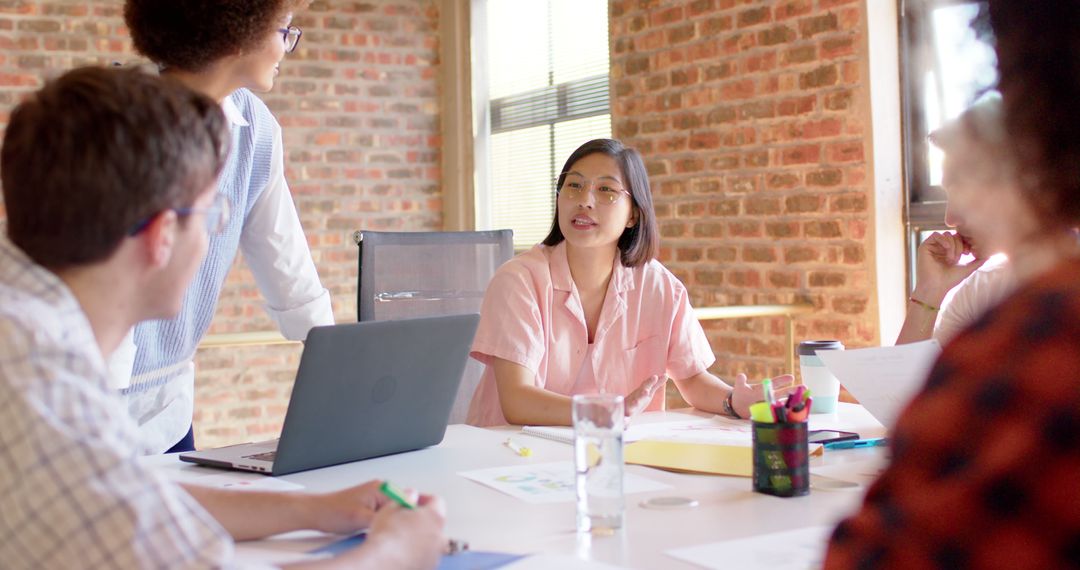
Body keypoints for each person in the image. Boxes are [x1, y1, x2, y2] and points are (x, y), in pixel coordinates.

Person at [0, 66, 444, 570]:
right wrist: (395, 552)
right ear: (161, 236)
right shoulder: (47, 386)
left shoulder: (31, 329)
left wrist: (314, 508)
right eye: (212, 219)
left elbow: (130, 500)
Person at [825, 1, 1080, 567]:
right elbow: (907, 403)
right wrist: (928, 294)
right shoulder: (982, 298)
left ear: (1029, 168)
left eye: (963, 181)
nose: (953, 212)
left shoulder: (1044, 323)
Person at [113, 0, 334, 453]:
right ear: (239, 33)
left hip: (167, 406)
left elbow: (285, 259)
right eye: (284, 30)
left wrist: (337, 358)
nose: (286, 48)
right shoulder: (118, 120)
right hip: (89, 401)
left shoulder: (256, 129)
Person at [466, 139, 792, 427]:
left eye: (606, 190)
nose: (585, 200)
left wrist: (733, 401)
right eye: (573, 186)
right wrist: (606, 412)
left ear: (633, 214)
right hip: (510, 457)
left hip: (616, 456)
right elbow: (517, 400)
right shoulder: (519, 281)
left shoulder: (659, 287)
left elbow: (692, 379)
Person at [895, 98, 1017, 345]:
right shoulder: (981, 291)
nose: (949, 220)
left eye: (961, 193)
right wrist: (930, 291)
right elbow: (906, 382)